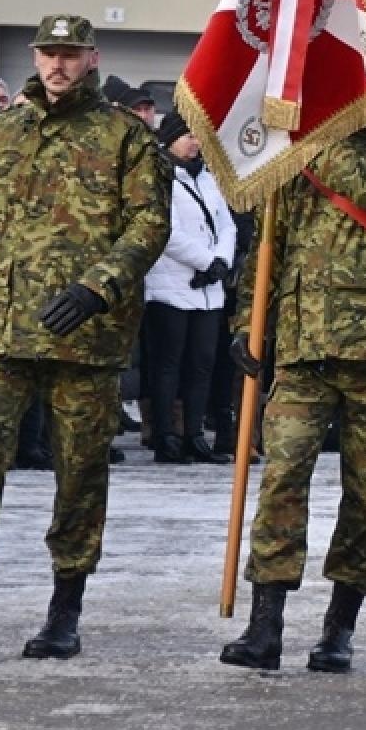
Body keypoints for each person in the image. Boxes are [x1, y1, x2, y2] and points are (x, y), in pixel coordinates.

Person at [0, 14, 169, 661]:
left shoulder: (124, 137)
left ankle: (64, 613)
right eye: (49, 53)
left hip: (88, 340)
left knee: (79, 476)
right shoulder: (2, 133)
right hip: (4, 332)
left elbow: (149, 225)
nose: (58, 64)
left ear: (92, 57)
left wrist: (97, 286)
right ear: (36, 56)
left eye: (71, 54)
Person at [221, 35, 366, 675]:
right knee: (282, 479)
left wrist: (304, 135)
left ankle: (340, 626)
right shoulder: (301, 155)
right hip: (302, 347)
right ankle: (266, 627)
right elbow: (270, 243)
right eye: (357, 76)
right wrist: (247, 319)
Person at [142, 108, 236, 465]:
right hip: (170, 285)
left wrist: (221, 263)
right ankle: (167, 435)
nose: (195, 143)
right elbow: (166, 231)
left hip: (208, 289)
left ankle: (195, 434)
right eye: (188, 136)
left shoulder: (208, 179)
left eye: (198, 137)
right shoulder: (159, 176)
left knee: (202, 364)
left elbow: (225, 225)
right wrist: (205, 261)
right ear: (170, 139)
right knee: (169, 364)